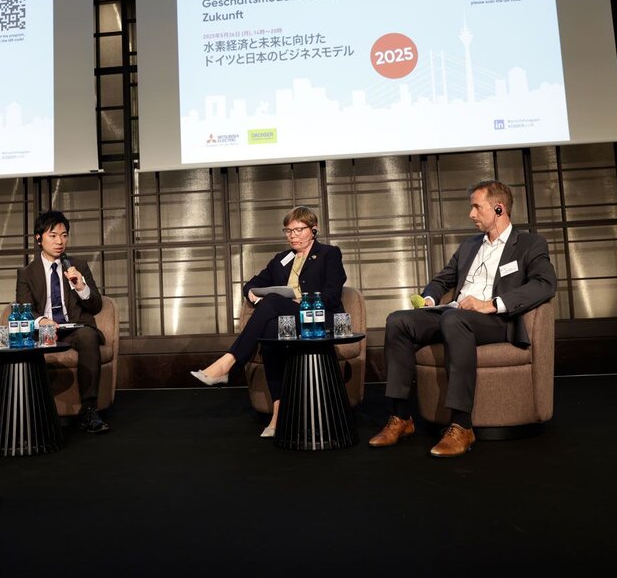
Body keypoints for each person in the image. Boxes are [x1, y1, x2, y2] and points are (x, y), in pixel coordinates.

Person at [370, 179, 557, 457]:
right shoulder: (470, 245)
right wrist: (430, 299)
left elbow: (545, 284)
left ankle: (461, 425)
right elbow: (442, 280)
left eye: (476, 207)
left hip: (495, 319)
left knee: (453, 320)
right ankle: (401, 418)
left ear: (498, 208)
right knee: (398, 320)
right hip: (454, 313)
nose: (471, 214)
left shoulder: (529, 244)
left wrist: (491, 304)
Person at [191, 206, 347, 437]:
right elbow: (251, 284)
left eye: (298, 230)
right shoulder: (282, 259)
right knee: (271, 331)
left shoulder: (329, 254)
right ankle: (278, 414)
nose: (292, 235)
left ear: (313, 230)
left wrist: (300, 300)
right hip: (288, 319)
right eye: (288, 231)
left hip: (319, 317)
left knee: (273, 301)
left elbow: (332, 295)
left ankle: (229, 361)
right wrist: (253, 295)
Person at [16, 210, 110, 434]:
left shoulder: (78, 265)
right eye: (53, 235)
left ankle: (89, 410)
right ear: (39, 238)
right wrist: (42, 320)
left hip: (74, 327)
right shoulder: (27, 273)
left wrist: (80, 286)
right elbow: (25, 309)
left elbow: (96, 306)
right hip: (45, 330)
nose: (60, 241)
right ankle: (35, 412)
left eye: (64, 235)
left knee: (88, 335)